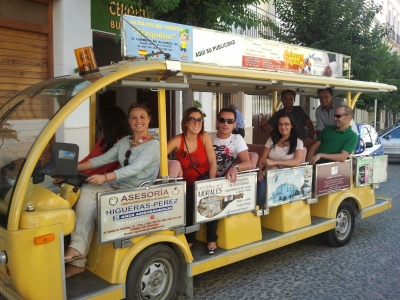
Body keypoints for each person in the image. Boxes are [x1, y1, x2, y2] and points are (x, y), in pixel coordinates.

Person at [64, 103, 160, 278]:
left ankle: (78, 257)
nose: (138, 121)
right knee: (87, 190)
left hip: (138, 191)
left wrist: (105, 177)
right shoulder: (124, 142)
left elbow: (134, 169)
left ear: (149, 120)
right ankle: (77, 251)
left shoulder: (153, 145)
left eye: (142, 117)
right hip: (120, 187)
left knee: (94, 195)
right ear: (128, 121)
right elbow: (99, 160)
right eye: (134, 117)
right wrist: (69, 168)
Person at [167, 107, 217, 252]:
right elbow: (158, 156)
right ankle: (190, 239)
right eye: (193, 119)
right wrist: (175, 165)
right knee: (188, 202)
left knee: (212, 201)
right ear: (186, 122)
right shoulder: (178, 140)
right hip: (185, 184)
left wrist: (210, 183)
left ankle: (211, 238)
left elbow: (213, 162)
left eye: (200, 119)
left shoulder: (204, 137)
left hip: (204, 180)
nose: (197, 123)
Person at [51, 106, 131, 186]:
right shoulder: (103, 139)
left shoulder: (122, 142)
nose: (100, 123)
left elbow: (102, 163)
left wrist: (70, 172)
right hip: (83, 177)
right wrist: (68, 172)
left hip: (95, 181)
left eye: (101, 121)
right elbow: (89, 158)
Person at [209, 107, 252, 254]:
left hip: (226, 181)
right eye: (222, 120)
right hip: (208, 178)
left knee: (213, 199)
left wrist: (235, 167)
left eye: (230, 121)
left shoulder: (237, 139)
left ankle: (211, 238)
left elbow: (248, 162)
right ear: (217, 122)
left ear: (235, 124)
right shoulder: (208, 138)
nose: (225, 124)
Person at [256, 111, 304, 207]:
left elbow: (297, 162)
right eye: (280, 124)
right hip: (272, 174)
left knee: (266, 188)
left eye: (286, 124)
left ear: (292, 126)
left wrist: (275, 162)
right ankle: (259, 211)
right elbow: (262, 158)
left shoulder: (298, 142)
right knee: (260, 185)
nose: (283, 127)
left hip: (289, 177)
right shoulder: (272, 139)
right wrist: (260, 172)